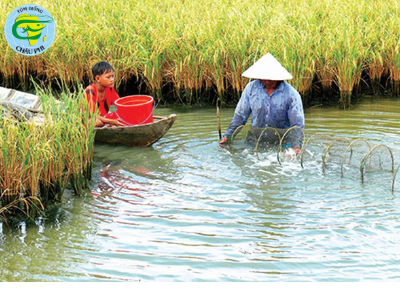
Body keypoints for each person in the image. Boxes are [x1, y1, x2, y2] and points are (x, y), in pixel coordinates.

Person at [219, 53, 304, 154]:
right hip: (256, 138)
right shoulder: (251, 89)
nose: (268, 81)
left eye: (272, 78)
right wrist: (228, 136)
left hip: (282, 141)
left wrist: (296, 146)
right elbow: (241, 116)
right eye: (264, 78)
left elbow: (297, 125)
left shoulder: (291, 94)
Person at [84, 61, 124, 127]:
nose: (112, 80)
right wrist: (112, 121)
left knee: (118, 117)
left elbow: (119, 105)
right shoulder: (90, 91)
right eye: (108, 77)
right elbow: (93, 115)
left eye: (113, 76)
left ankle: (108, 125)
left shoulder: (110, 89)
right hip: (88, 120)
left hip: (103, 119)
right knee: (98, 122)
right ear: (98, 78)